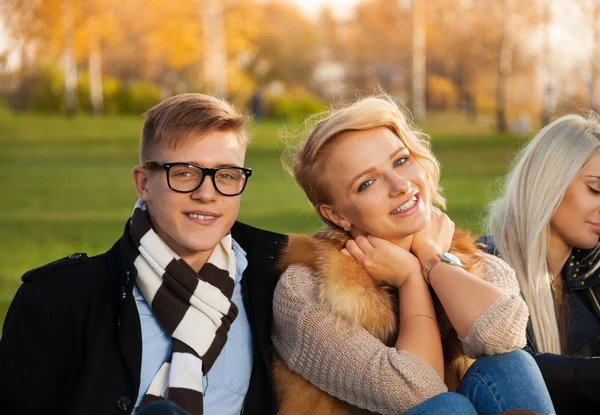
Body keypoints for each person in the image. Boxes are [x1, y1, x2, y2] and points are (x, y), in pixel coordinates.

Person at [0, 93, 288, 415]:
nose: (207, 193)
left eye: (226, 175)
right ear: (143, 184)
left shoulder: (279, 285)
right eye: (183, 173)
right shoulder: (57, 300)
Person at [271, 95, 555, 415]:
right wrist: (410, 279)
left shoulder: (471, 258)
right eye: (366, 183)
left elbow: (504, 336)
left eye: (400, 160)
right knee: (446, 407)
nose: (400, 185)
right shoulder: (309, 288)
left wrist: (432, 258)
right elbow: (419, 392)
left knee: (508, 364)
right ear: (337, 215)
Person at [483, 113, 600, 415]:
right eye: (595, 189)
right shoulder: (483, 269)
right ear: (549, 183)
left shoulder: (593, 271)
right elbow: (507, 373)